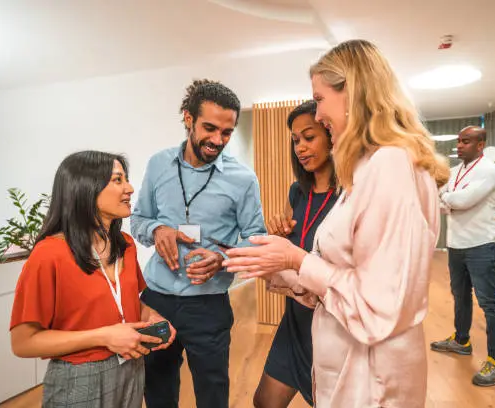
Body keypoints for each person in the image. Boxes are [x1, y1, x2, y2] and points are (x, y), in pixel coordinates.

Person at [223, 39, 449, 408]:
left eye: (320, 99)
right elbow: (343, 279)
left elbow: (375, 308)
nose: (319, 113)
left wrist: (296, 259)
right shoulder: (372, 167)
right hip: (346, 358)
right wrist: (271, 263)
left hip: (369, 378)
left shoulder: (388, 165)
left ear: (352, 92)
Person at [131, 79, 266, 408]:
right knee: (157, 389)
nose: (218, 140)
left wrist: (223, 259)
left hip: (208, 306)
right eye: (210, 128)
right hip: (155, 300)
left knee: (212, 395)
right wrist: (157, 229)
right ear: (188, 118)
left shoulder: (243, 179)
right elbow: (138, 219)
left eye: (227, 132)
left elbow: (256, 238)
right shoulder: (158, 164)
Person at [10, 151, 176, 408]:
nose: (130, 188)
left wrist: (150, 316)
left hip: (132, 367)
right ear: (85, 188)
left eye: (126, 179)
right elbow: (23, 343)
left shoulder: (126, 245)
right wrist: (103, 337)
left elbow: (130, 302)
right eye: (118, 180)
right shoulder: (49, 254)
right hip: (80, 377)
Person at [254, 100, 337, 408]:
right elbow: (290, 247)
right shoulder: (297, 192)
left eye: (309, 137)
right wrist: (278, 233)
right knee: (265, 401)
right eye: (295, 140)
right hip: (296, 318)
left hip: (332, 324)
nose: (300, 147)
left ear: (331, 136)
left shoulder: (350, 196)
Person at [431, 126, 495, 387]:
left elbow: (462, 201)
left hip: (483, 245)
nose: (459, 146)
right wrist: (449, 199)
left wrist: (448, 198)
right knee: (460, 296)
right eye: (459, 141)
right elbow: (441, 202)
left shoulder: (490, 171)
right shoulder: (455, 172)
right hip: (457, 245)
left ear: (480, 145)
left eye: (466, 141)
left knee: (490, 304)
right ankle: (461, 340)